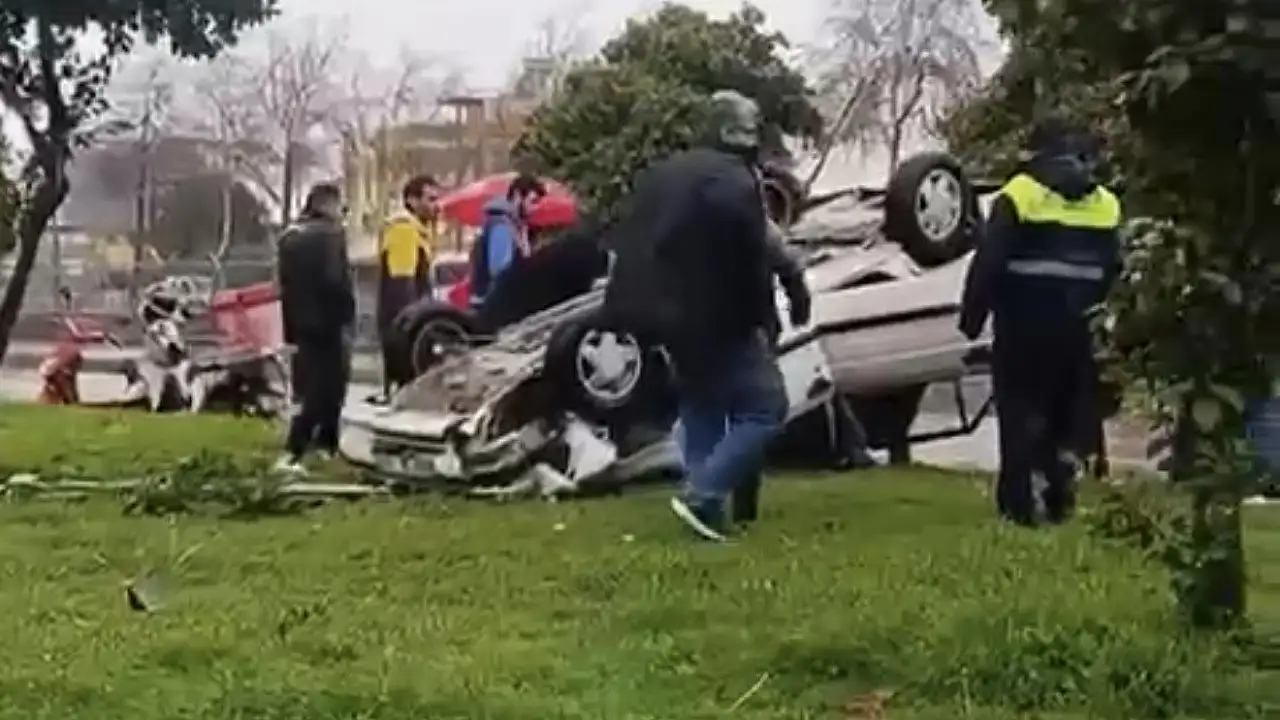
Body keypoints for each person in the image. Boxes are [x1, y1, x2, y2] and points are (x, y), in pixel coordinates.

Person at [604, 89, 790, 541]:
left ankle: (707, 516)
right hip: (715, 316)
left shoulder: (661, 175)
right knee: (765, 407)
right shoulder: (736, 181)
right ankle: (703, 496)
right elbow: (750, 260)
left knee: (702, 405)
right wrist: (764, 318)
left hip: (655, 318)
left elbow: (629, 243)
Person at [958, 116, 1122, 526]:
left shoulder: (1020, 194)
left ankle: (1021, 507)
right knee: (1070, 412)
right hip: (1082, 328)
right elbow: (1117, 270)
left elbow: (989, 261)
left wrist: (971, 320)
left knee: (1021, 413)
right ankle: (1062, 497)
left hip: (1024, 325)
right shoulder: (1106, 202)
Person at [275, 182, 356, 474]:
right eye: (339, 205)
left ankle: (301, 445)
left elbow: (284, 287)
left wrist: (289, 330)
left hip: (300, 325)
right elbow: (336, 280)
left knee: (306, 387)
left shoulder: (289, 236)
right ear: (327, 204)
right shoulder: (332, 235)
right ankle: (320, 444)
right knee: (332, 387)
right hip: (330, 323)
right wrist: (347, 313)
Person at [376, 174, 441, 400]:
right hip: (406, 327)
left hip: (411, 326)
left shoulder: (417, 231)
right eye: (430, 199)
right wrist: (410, 328)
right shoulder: (403, 230)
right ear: (412, 201)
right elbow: (401, 286)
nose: (436, 206)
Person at [468, 196, 524, 312]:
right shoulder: (500, 227)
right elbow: (500, 269)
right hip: (493, 300)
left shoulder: (488, 227)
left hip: (482, 297)